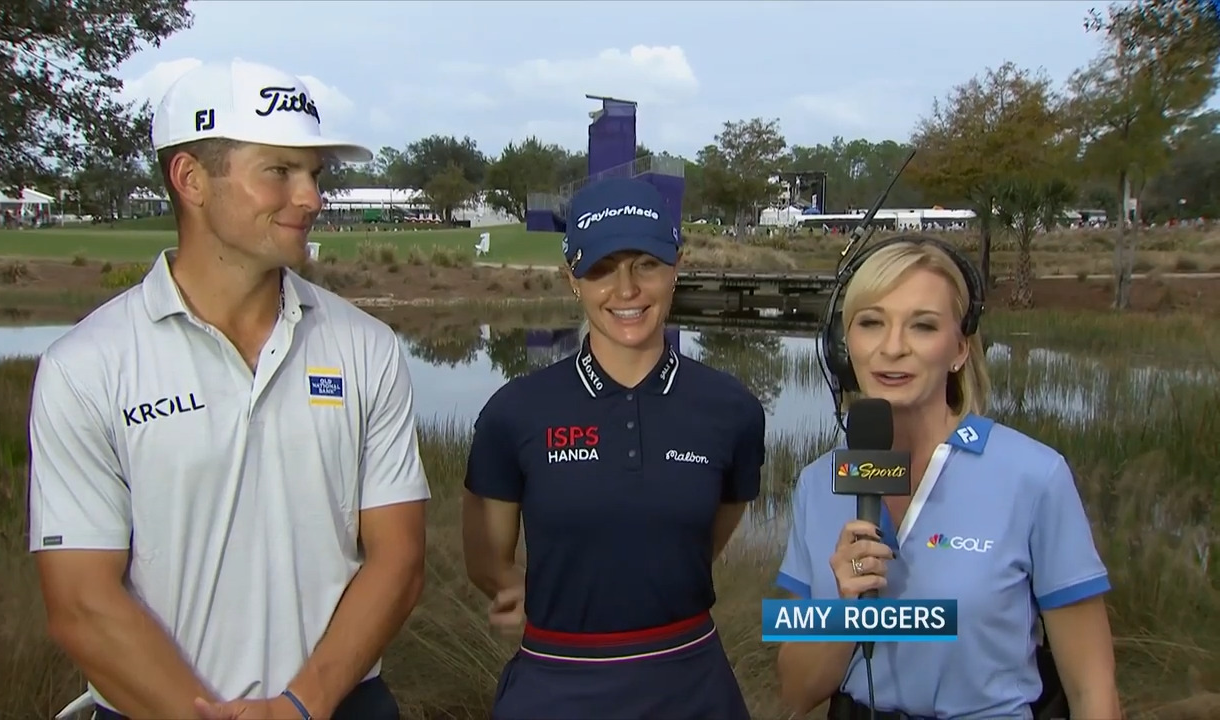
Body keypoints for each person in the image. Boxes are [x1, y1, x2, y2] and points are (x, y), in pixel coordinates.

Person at [27, 59, 430, 720]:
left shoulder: (367, 348)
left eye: (315, 174)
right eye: (280, 171)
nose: (310, 198)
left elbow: (400, 560)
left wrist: (301, 705)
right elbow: (81, 603)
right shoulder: (86, 365)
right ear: (191, 179)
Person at [775, 237, 1122, 719]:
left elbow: (1092, 691)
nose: (892, 348)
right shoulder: (818, 483)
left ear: (959, 348)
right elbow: (794, 693)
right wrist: (843, 608)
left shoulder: (1034, 476)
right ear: (843, 345)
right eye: (871, 322)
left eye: (922, 325)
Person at [461, 177, 767, 720]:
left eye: (646, 264)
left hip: (692, 685)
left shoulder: (733, 409)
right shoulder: (515, 412)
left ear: (677, 266)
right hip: (555, 684)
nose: (626, 290)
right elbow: (488, 561)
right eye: (601, 268)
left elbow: (701, 545)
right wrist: (541, 598)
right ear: (572, 280)